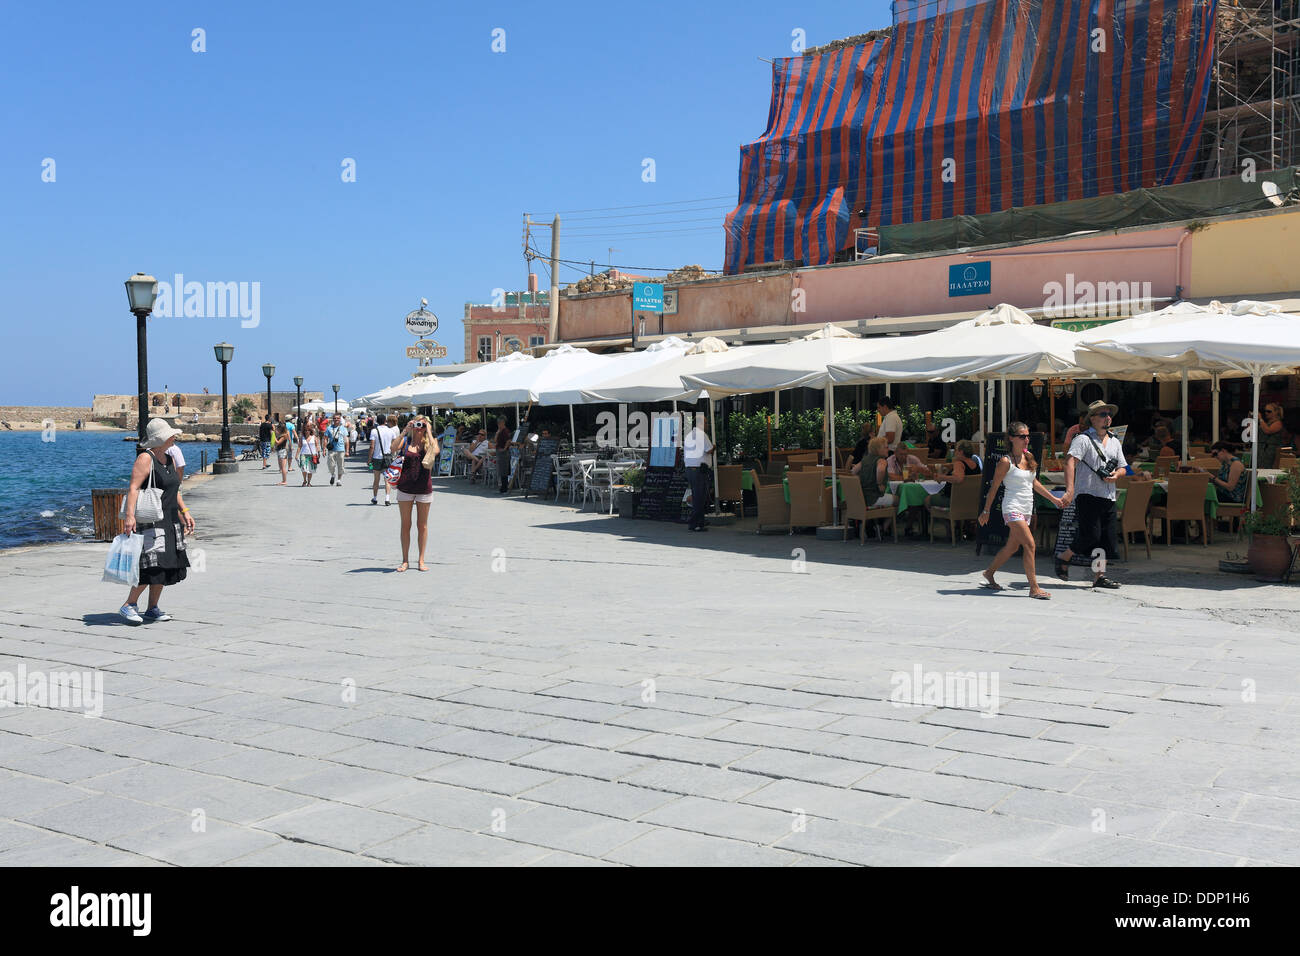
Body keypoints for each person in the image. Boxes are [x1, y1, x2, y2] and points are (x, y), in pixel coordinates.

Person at [118, 419, 194, 625]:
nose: (174, 437)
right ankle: (129, 605)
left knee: (167, 565)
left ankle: (152, 608)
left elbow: (174, 489)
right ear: (160, 438)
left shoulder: (169, 458)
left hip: (170, 519)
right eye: (171, 435)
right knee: (153, 566)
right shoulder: (146, 458)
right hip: (152, 520)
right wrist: (130, 516)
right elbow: (133, 488)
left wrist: (184, 512)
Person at [1054, 400, 1125, 589]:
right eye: (1103, 414)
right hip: (1088, 493)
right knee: (1090, 535)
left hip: (1108, 495)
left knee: (1104, 539)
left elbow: (1123, 467)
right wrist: (1070, 489)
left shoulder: (1115, 441)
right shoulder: (1083, 440)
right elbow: (1069, 462)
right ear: (1092, 419)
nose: (1107, 417)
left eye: (1109, 414)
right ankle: (1064, 556)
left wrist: (1117, 474)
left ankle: (1099, 576)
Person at [393, 416, 440, 572]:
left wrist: (429, 431)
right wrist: (405, 430)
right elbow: (392, 448)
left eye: (422, 424)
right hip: (405, 488)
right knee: (405, 525)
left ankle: (421, 560)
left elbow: (436, 451)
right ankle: (405, 560)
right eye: (417, 424)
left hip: (424, 488)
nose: (419, 427)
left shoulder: (430, 443)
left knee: (422, 526)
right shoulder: (406, 441)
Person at [926, 439, 981, 510]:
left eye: (956, 450)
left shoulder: (959, 464)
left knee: (927, 499)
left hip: (954, 500)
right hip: (971, 500)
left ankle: (945, 519)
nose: (955, 452)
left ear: (961, 452)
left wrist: (942, 477)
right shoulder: (976, 465)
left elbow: (958, 478)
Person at [684, 418, 715, 532]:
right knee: (699, 497)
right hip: (698, 470)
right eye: (705, 423)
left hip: (690, 469)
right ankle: (694, 523)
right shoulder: (702, 435)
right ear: (700, 424)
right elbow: (709, 450)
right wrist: (715, 446)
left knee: (698, 496)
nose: (707, 425)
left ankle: (700, 522)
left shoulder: (689, 435)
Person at [370, 414, 400, 505]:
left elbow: (372, 446)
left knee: (376, 479)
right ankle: (387, 498)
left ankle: (375, 498)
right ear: (385, 421)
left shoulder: (374, 431)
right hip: (388, 457)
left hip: (377, 457)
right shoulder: (391, 431)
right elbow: (394, 445)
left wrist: (369, 459)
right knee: (387, 479)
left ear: (377, 421)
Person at [1258, 402, 1290, 469]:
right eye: (1265, 411)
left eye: (1269, 411)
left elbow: (1268, 431)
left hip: (1270, 451)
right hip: (1262, 450)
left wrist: (1260, 419)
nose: (1266, 413)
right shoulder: (1265, 423)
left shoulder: (1278, 423)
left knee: (1267, 469)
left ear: (1276, 412)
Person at [325, 413, 350, 487]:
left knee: (341, 465)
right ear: (333, 419)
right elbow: (325, 439)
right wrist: (323, 449)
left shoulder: (343, 429)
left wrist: (347, 451)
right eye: (335, 418)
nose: (336, 419)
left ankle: (339, 480)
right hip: (331, 449)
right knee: (330, 465)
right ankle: (333, 475)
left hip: (341, 449)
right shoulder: (329, 428)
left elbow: (347, 440)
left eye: (338, 418)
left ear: (340, 419)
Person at [494, 417, 513, 494]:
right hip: (499, 451)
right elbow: (495, 441)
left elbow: (508, 441)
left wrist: (504, 448)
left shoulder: (505, 431)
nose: (499, 425)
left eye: (500, 423)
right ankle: (502, 486)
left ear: (503, 423)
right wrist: (497, 433)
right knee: (501, 470)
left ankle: (504, 487)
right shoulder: (500, 431)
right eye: (498, 424)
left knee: (504, 470)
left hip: (503, 453)